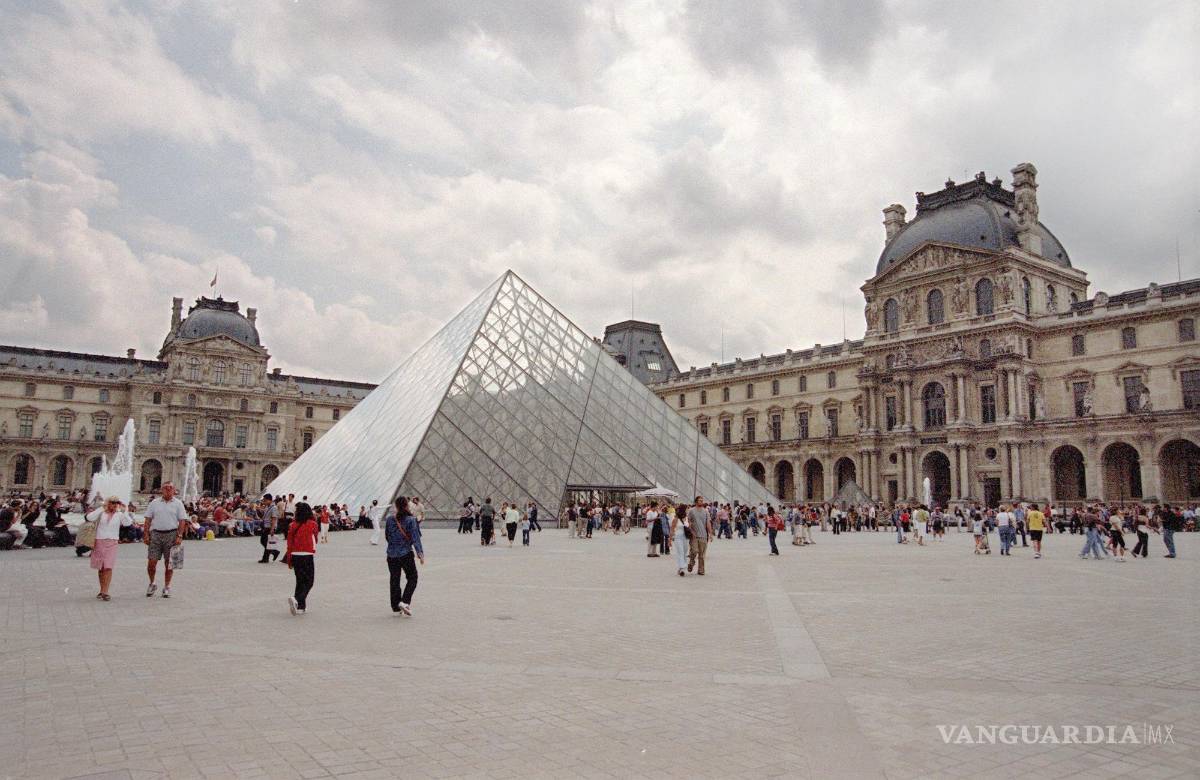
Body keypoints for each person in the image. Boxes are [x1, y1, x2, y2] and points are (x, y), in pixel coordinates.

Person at [143, 483, 188, 598]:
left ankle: (167, 586)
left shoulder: (178, 503)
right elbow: (148, 519)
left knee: (170, 563)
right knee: (151, 562)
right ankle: (152, 583)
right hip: (156, 534)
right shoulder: (154, 503)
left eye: (170, 488)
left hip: (172, 534)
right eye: (166, 488)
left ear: (174, 490)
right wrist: (146, 534)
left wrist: (180, 536)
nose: (168, 490)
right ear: (161, 490)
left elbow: (182, 521)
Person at [86, 496, 134, 601]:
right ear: (108, 503)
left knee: (108, 567)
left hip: (112, 542)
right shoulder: (101, 513)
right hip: (99, 540)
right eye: (112, 502)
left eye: (116, 503)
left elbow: (128, 523)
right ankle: (101, 589)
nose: (114, 505)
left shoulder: (119, 514)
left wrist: (125, 511)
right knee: (101, 567)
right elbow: (89, 517)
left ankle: (105, 591)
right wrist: (101, 508)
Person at [385, 496, 424, 615]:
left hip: (391, 555)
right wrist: (420, 553)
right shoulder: (411, 520)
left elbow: (387, 536)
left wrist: (393, 546)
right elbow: (415, 538)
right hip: (405, 554)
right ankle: (405, 601)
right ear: (407, 506)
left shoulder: (389, 519)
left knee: (394, 579)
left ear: (396, 506)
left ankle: (396, 607)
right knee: (412, 577)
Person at [286, 503, 319, 615]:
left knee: (300, 581)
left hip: (295, 554)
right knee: (309, 581)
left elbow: (289, 542)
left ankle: (301, 607)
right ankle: (297, 599)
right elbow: (315, 539)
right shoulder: (313, 524)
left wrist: (289, 558)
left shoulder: (292, 525)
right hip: (307, 554)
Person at [685, 496, 713, 575]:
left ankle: (701, 570)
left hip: (703, 535)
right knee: (694, 551)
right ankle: (691, 562)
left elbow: (708, 523)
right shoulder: (691, 511)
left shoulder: (706, 511)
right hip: (694, 535)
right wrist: (691, 530)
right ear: (696, 502)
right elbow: (688, 521)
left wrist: (710, 534)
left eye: (702, 500)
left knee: (702, 554)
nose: (701, 502)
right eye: (700, 500)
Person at [668, 504, 689, 576]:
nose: (687, 510)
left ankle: (680, 568)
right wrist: (670, 540)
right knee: (680, 552)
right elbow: (672, 529)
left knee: (685, 552)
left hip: (685, 537)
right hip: (678, 537)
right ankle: (682, 568)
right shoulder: (676, 519)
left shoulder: (686, 518)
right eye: (686, 509)